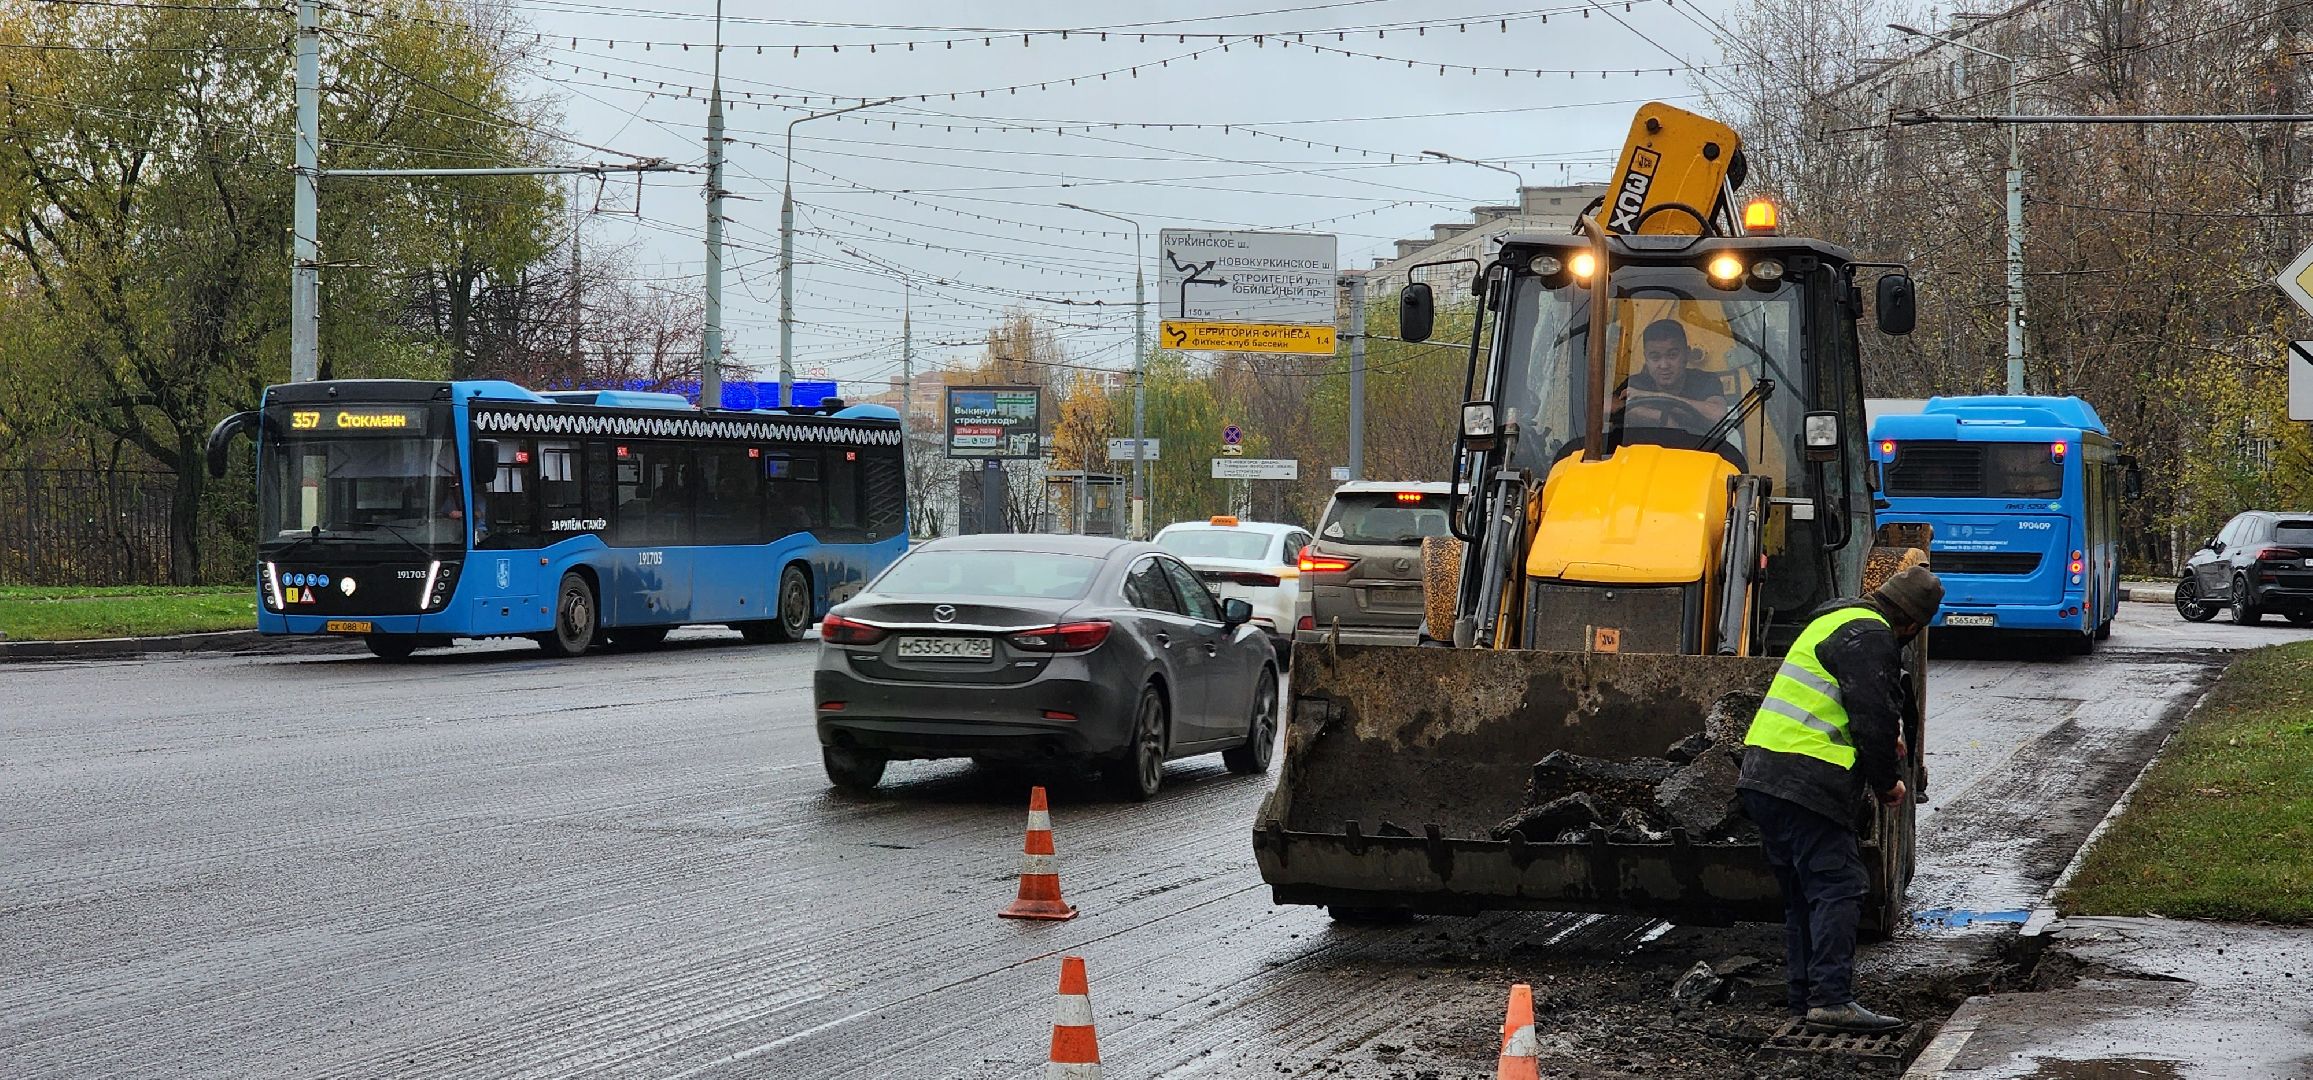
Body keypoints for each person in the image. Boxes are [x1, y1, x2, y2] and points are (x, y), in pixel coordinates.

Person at [1736, 564, 1944, 1033]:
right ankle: (1831, 1000)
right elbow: (1871, 715)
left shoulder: (1833, 619)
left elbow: (1838, 701)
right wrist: (1887, 782)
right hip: (1807, 779)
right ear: (1911, 624)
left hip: (1763, 773)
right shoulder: (1872, 635)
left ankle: (1804, 998)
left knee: (1802, 895)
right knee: (1841, 886)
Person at [1616, 319, 1730, 428]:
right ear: (1646, 358)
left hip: (1697, 447)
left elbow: (1718, 415)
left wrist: (1652, 396)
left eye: (1672, 355)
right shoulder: (1636, 382)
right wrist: (1662, 418)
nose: (1664, 365)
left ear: (1687, 353)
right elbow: (1604, 407)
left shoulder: (1705, 381)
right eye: (1655, 357)